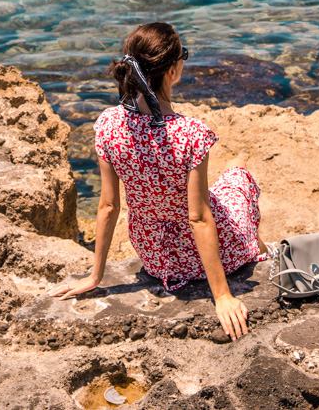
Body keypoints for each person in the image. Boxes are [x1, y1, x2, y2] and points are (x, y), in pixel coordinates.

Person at [48, 22, 267, 340]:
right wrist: (222, 296)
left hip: (154, 257)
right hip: (202, 257)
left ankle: (255, 243)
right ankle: (257, 249)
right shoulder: (192, 134)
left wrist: (95, 277)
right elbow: (199, 217)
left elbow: (108, 206)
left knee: (224, 183)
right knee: (238, 175)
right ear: (174, 71)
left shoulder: (108, 125)